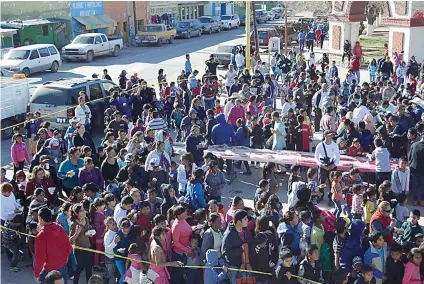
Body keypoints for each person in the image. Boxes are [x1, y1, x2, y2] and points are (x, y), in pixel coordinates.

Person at [34, 208, 72, 283]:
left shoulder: (41, 236)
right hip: (62, 264)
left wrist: (36, 273)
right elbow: (68, 246)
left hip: (49, 269)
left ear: (40, 218)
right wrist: (66, 257)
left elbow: (40, 258)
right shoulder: (59, 228)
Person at [222, 209, 248, 284]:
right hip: (233, 266)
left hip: (243, 263)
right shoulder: (229, 235)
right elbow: (225, 251)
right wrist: (240, 250)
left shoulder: (244, 230)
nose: (247, 220)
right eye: (245, 219)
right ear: (239, 221)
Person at [315, 131, 341, 205]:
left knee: (332, 183)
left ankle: (331, 198)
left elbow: (337, 156)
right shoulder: (320, 145)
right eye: (329, 135)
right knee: (322, 183)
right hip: (323, 166)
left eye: (332, 136)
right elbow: (316, 157)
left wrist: (334, 165)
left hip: (332, 166)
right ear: (325, 136)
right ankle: (320, 196)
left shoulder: (335, 145)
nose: (331, 137)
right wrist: (321, 165)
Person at [170, 206, 192, 284]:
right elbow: (176, 243)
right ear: (178, 215)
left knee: (182, 274)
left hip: (184, 252)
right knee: (176, 276)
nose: (186, 212)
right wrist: (188, 250)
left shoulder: (183, 220)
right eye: (184, 212)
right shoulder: (176, 226)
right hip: (178, 254)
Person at [408, 134, 424, 206]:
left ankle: (414, 200)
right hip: (423, 170)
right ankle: (422, 201)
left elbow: (409, 156)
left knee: (414, 185)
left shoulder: (414, 145)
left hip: (414, 168)